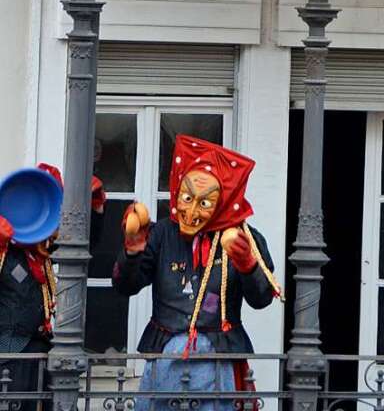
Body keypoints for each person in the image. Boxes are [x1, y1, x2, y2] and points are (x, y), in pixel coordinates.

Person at [112, 135, 279, 409]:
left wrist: (248, 265)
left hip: (220, 358)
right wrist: (132, 251)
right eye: (186, 198)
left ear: (223, 202)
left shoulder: (245, 238)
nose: (190, 212)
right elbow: (124, 286)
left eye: (204, 203)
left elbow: (261, 300)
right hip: (165, 352)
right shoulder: (161, 233)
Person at [0, 165, 105, 407]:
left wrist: (95, 209)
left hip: (44, 351)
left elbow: (82, 245)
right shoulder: (8, 251)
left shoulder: (44, 251)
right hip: (10, 352)